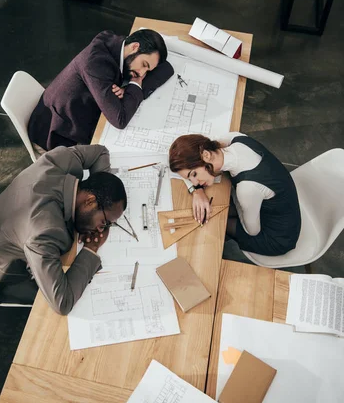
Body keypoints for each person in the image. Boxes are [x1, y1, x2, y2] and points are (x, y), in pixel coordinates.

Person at [0, 145, 127, 315]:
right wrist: (91, 249)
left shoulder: (60, 160)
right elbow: (62, 303)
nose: (101, 230)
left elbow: (100, 153)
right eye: (104, 222)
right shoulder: (43, 231)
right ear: (89, 201)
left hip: (2, 228)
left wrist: (103, 188)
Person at [28, 29, 174, 151]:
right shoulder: (95, 63)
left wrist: (133, 85)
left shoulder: (117, 44)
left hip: (81, 113)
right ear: (135, 46)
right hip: (57, 136)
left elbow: (167, 68)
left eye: (147, 70)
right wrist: (135, 85)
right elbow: (120, 120)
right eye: (144, 64)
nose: (142, 73)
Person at [168, 132, 301, 256]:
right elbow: (203, 144)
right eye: (190, 179)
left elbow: (252, 231)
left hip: (277, 237)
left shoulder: (246, 189)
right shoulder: (236, 138)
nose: (196, 182)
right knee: (214, 211)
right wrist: (197, 191)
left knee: (213, 221)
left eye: (194, 174)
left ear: (206, 155)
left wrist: (232, 201)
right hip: (278, 207)